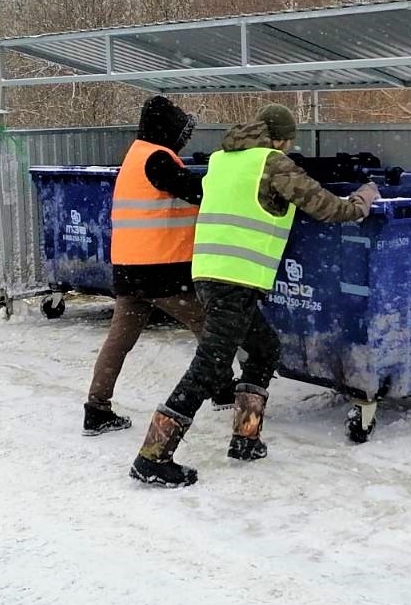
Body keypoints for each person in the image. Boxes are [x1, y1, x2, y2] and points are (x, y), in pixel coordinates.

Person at [129, 104, 380, 486]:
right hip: (234, 278)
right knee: (212, 364)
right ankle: (153, 454)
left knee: (264, 349)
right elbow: (327, 208)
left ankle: (246, 437)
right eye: (289, 139)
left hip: (211, 273)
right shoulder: (273, 164)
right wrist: (363, 199)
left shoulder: (223, 161)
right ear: (281, 137)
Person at [84, 95, 214, 435]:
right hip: (160, 271)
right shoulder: (157, 159)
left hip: (129, 270)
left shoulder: (136, 155)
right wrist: (223, 180)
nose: (184, 139)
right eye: (180, 131)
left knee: (119, 341)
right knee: (208, 327)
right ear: (167, 130)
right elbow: (196, 191)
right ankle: (225, 389)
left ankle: (96, 408)